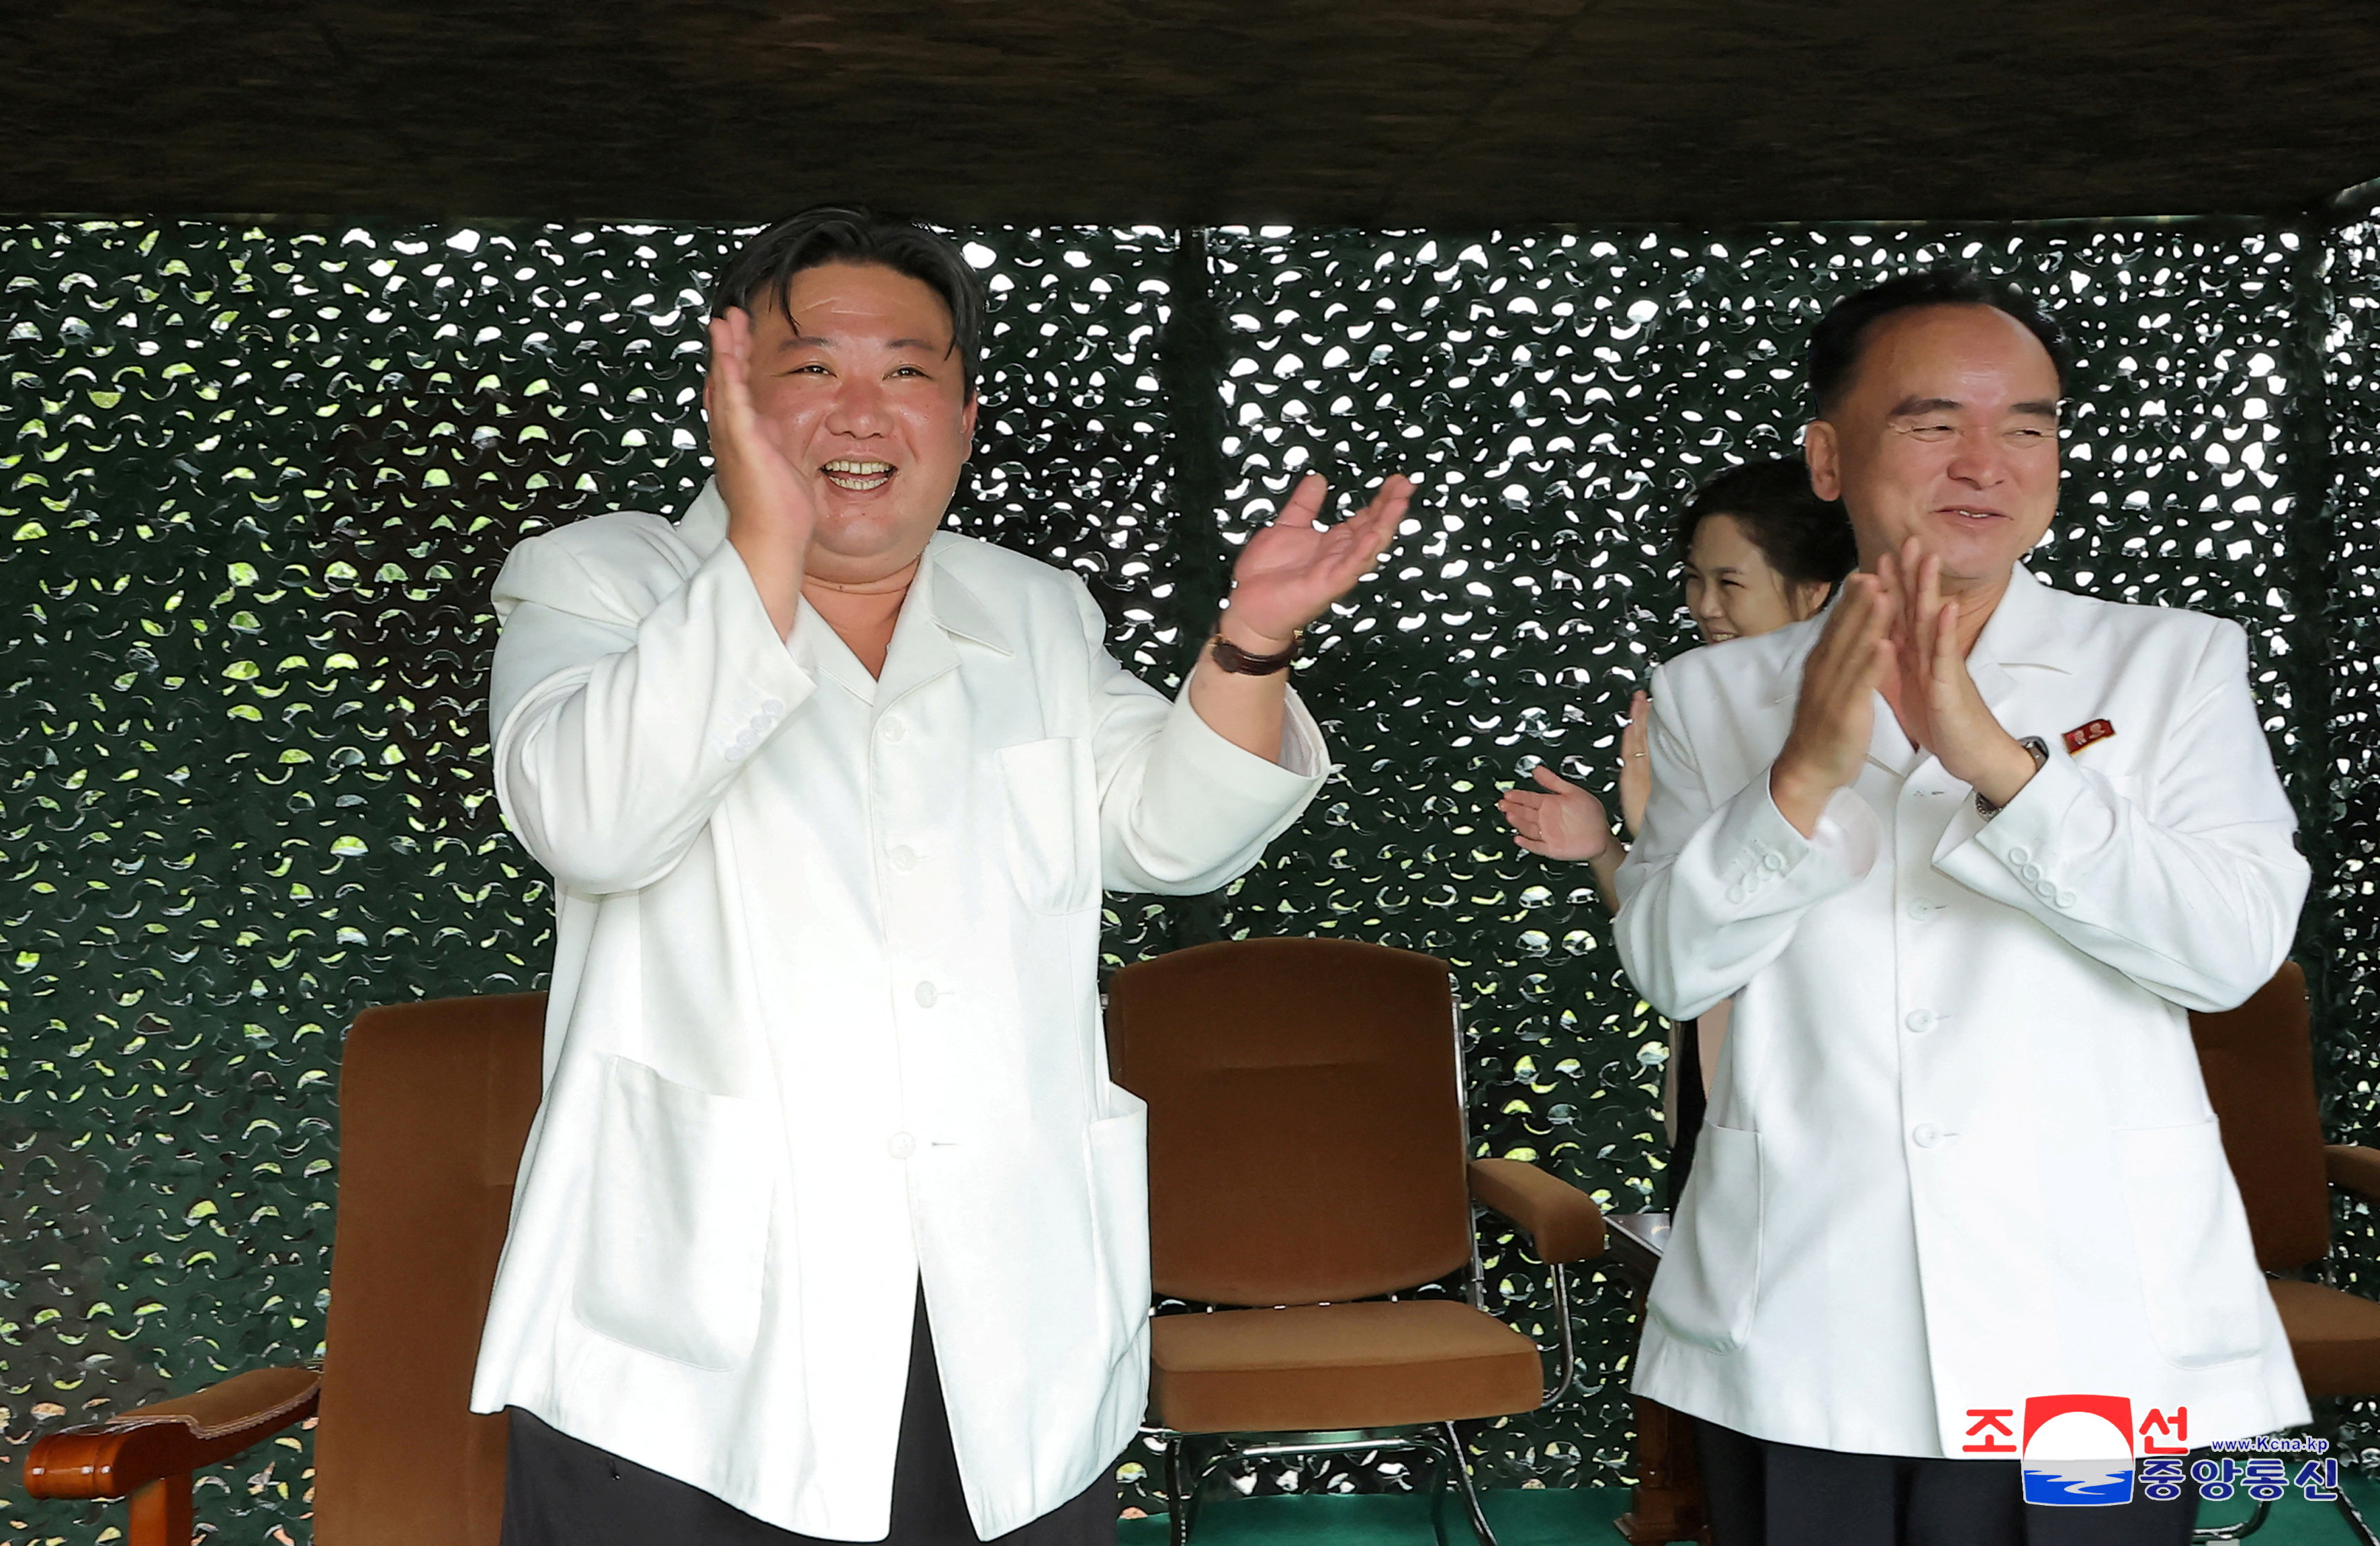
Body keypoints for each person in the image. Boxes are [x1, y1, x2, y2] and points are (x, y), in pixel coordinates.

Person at [468, 206, 1411, 1546]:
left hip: (999, 1317)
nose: (861, 411)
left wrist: (1249, 647)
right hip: (691, 1345)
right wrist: (764, 549)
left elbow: (1170, 832)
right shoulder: (601, 581)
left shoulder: (1031, 611)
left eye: (906, 371)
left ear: (963, 418)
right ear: (731, 398)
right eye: (813, 368)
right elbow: (592, 822)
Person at [1614, 268, 2308, 1545]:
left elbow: (2226, 954)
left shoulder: (2172, 663)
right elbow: (1670, 964)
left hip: (2091, 1328)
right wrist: (1797, 782)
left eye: (2026, 426)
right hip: (1806, 1313)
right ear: (1828, 458)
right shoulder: (1713, 696)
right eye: (1933, 423)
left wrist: (1999, 765)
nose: (1985, 463)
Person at [1497, 460, 1854, 1193]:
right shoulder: (1691, 701)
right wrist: (1610, 847)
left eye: (1730, 583)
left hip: (1846, 1073)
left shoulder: (1886, 713)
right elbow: (1669, 944)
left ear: (1816, 588)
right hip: (1721, 1062)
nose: (1705, 606)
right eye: (1694, 580)